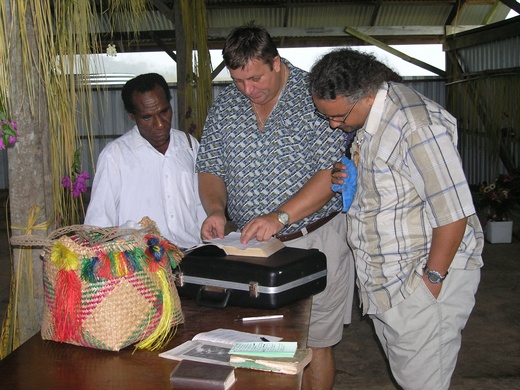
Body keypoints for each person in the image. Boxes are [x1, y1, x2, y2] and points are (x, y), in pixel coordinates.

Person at [309, 48, 484, 390]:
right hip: (389, 284)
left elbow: (454, 213)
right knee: (411, 378)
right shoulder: (375, 117)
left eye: (339, 117)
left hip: (418, 283)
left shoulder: (416, 125)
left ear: (366, 95)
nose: (333, 124)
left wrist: (430, 283)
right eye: (326, 116)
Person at [196, 23, 355, 390]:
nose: (247, 90)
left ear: (276, 63)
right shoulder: (226, 104)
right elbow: (210, 167)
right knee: (259, 340)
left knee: (315, 342)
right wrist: (216, 210)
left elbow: (332, 172)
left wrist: (279, 216)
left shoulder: (315, 96)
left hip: (313, 240)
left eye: (254, 79)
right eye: (238, 81)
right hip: (249, 246)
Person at [85, 73, 205, 249]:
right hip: (141, 266)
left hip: (191, 256)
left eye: (164, 112)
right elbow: (99, 223)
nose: (159, 124)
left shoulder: (189, 145)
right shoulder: (115, 155)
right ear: (132, 116)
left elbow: (201, 206)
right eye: (147, 117)